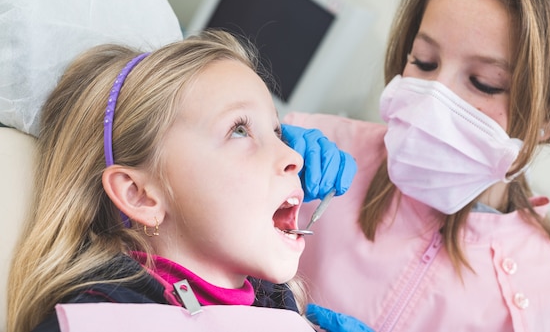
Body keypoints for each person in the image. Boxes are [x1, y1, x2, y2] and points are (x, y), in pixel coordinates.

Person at [283, 0, 550, 331]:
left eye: (484, 82)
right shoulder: (311, 153)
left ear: (546, 117)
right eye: (424, 61)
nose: (433, 99)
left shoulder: (543, 306)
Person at [6, 29, 359, 332]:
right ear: (139, 194)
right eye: (239, 130)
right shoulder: (102, 319)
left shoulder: (276, 308)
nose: (293, 157)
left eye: (276, 131)